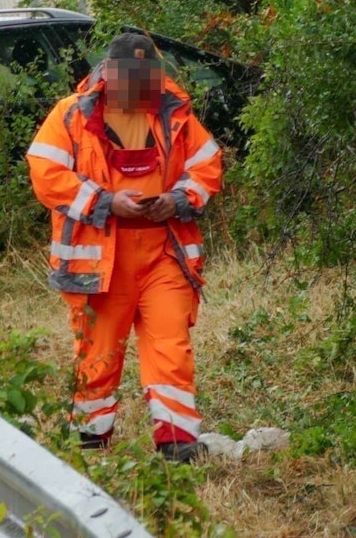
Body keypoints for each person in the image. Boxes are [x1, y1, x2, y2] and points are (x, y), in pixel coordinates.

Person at [26, 32, 223, 463]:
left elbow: (207, 165)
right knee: (98, 355)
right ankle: (91, 445)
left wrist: (176, 200)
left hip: (164, 254)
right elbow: (45, 173)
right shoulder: (70, 116)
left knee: (171, 347)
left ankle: (177, 447)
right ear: (107, 74)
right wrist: (106, 202)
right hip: (101, 262)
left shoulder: (176, 114)